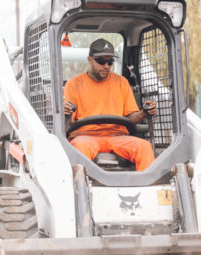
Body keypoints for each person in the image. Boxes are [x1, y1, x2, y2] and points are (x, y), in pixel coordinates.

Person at [63, 38, 158, 171]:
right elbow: (71, 120)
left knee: (144, 147)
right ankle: (81, 188)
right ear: (89, 59)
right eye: (101, 61)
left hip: (117, 136)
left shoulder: (122, 83)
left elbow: (130, 118)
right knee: (79, 147)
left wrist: (143, 112)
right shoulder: (73, 85)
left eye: (110, 62)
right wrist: (66, 112)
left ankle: (146, 188)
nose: (106, 66)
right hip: (85, 136)